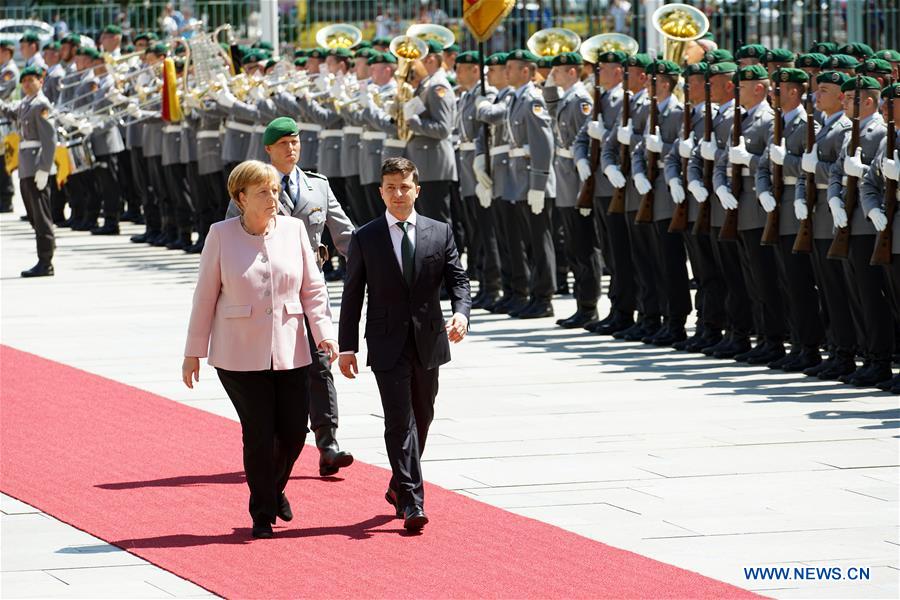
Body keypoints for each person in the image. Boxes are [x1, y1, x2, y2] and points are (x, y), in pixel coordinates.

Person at [182, 160, 339, 539]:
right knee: (259, 433)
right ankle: (262, 513)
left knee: (293, 432)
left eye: (274, 191)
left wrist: (325, 333)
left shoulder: (293, 230)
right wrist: (192, 352)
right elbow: (205, 296)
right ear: (241, 198)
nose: (273, 198)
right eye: (263, 192)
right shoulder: (220, 235)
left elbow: (313, 288)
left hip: (291, 347)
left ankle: (272, 489)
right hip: (238, 354)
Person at [338, 157, 471, 532]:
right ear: (381, 192)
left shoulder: (439, 232)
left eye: (405, 187)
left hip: (429, 340)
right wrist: (347, 347)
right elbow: (352, 294)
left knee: (422, 416)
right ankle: (413, 501)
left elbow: (458, 280)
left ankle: (398, 485)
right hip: (386, 341)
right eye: (391, 188)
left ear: (417, 190)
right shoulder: (366, 236)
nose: (398, 194)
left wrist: (461, 314)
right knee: (400, 421)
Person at [225, 117, 356, 476]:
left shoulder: (318, 186)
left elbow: (345, 235)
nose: (291, 148)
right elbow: (232, 236)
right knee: (276, 367)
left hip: (310, 286)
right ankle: (276, 441)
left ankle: (328, 443)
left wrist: (378, 262)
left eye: (295, 142)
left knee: (321, 361)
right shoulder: (252, 186)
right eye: (283, 143)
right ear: (268, 149)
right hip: (269, 290)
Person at [0, 66, 57, 277]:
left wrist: (44, 168)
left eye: (31, 80)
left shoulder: (41, 105)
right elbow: (9, 111)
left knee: (41, 216)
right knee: (34, 216)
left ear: (40, 82)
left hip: (36, 165)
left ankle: (46, 261)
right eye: (24, 81)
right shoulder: (26, 103)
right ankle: (45, 253)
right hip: (26, 166)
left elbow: (49, 140)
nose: (26, 84)